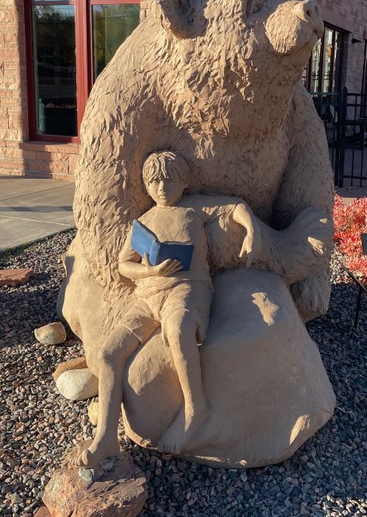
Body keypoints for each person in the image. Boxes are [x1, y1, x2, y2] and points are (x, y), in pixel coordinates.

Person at [80, 150, 260, 465]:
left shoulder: (194, 207)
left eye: (170, 180)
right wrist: (150, 271)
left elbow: (236, 207)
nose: (162, 187)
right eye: (154, 181)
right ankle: (106, 437)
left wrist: (251, 232)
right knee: (109, 353)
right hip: (147, 296)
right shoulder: (144, 222)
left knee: (178, 329)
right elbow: (124, 265)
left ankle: (195, 408)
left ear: (184, 181)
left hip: (187, 289)